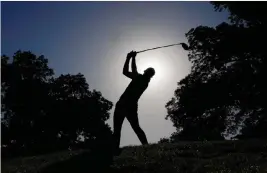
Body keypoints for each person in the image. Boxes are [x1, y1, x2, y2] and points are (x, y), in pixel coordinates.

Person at [113, 51, 155, 155]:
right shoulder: (140, 79)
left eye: (147, 72)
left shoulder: (143, 80)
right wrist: (128, 58)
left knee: (122, 129)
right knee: (128, 128)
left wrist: (132, 57)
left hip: (126, 105)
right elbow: (125, 72)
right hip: (124, 105)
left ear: (147, 73)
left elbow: (133, 70)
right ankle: (116, 149)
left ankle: (145, 146)